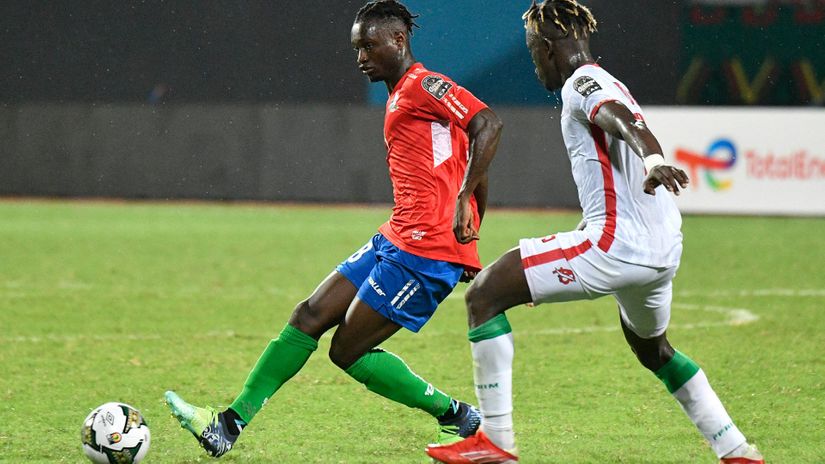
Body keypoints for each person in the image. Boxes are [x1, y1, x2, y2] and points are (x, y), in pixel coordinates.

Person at [426, 1, 765, 463]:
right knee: (655, 351)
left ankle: (495, 442)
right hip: (661, 249)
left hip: (615, 245)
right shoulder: (608, 79)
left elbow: (614, 117)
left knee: (484, 295)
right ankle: (737, 450)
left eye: (531, 52)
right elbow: (626, 119)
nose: (533, 62)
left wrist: (652, 159)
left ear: (547, 47)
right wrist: (652, 157)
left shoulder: (581, 83)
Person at [163, 0, 503, 458]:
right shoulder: (403, 94)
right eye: (356, 47)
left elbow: (487, 124)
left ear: (399, 40)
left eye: (368, 44)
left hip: (425, 251)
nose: (361, 56)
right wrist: (472, 234)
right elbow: (469, 159)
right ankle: (227, 424)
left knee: (346, 350)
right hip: (398, 236)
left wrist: (464, 217)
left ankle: (459, 416)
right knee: (308, 315)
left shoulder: (425, 85)